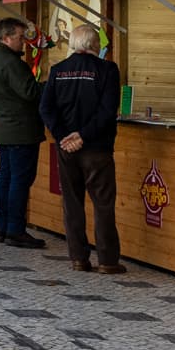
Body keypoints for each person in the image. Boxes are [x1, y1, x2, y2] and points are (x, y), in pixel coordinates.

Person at [40, 23, 125, 274]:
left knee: (72, 203)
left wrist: (64, 136)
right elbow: (108, 111)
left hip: (66, 149)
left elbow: (46, 108)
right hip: (98, 147)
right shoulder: (107, 70)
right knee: (103, 204)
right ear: (94, 44)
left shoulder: (58, 70)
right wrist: (83, 135)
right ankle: (108, 261)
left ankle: (78, 258)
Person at [0, 17, 47, 249]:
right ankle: (16, 229)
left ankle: (4, 226)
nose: (24, 42)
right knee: (20, 180)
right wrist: (50, 84)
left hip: (4, 129)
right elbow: (30, 92)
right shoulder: (11, 63)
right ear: (7, 37)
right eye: (20, 37)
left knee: (6, 179)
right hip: (21, 130)